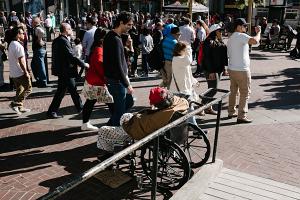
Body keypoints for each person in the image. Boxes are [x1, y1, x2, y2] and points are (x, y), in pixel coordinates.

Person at [47, 23, 89, 119]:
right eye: (70, 29)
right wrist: (83, 64)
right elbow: (71, 56)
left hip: (63, 70)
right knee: (70, 90)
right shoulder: (63, 41)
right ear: (65, 30)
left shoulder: (59, 40)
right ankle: (80, 108)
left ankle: (53, 111)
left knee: (65, 91)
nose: (71, 30)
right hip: (66, 71)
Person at [227, 18, 261, 124]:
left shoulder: (231, 37)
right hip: (242, 70)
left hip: (232, 69)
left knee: (233, 91)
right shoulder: (241, 36)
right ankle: (241, 115)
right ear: (238, 26)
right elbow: (255, 41)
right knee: (245, 93)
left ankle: (231, 111)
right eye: (244, 25)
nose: (246, 27)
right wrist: (258, 32)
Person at [103, 11, 134, 126]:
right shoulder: (115, 39)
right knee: (120, 112)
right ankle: (112, 133)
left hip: (115, 79)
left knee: (128, 102)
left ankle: (109, 127)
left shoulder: (114, 37)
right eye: (129, 25)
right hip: (117, 80)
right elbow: (118, 64)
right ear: (121, 23)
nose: (130, 27)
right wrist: (127, 84)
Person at [81, 28, 113, 131]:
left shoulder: (96, 47)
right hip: (98, 82)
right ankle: (116, 123)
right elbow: (100, 64)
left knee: (90, 102)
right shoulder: (99, 49)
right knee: (112, 103)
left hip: (92, 80)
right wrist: (107, 77)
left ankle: (85, 123)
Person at [201, 24, 228, 115]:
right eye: (219, 31)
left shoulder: (218, 40)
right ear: (214, 32)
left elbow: (223, 53)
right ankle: (201, 106)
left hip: (218, 69)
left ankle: (208, 107)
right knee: (213, 89)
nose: (221, 32)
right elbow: (207, 58)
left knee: (212, 89)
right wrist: (211, 71)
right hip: (211, 70)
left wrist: (224, 68)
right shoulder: (208, 42)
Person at [8, 27, 32, 114]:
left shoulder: (11, 44)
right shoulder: (18, 46)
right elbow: (21, 61)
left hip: (13, 72)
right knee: (28, 88)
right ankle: (15, 103)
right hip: (20, 72)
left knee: (20, 89)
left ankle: (20, 107)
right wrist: (26, 72)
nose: (24, 34)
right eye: (22, 33)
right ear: (18, 35)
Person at [31, 16, 47, 88]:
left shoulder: (37, 28)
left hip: (39, 49)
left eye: (32, 22)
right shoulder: (40, 27)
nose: (31, 23)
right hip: (40, 49)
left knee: (40, 65)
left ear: (35, 22)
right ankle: (40, 80)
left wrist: (39, 40)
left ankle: (42, 81)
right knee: (34, 64)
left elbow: (41, 32)